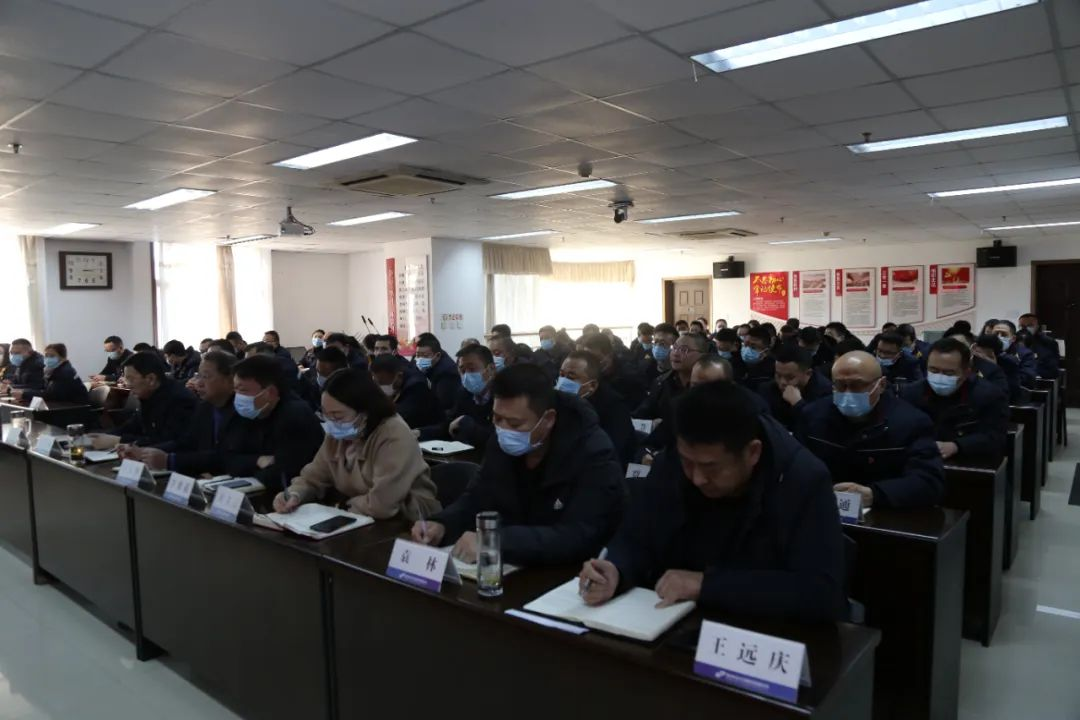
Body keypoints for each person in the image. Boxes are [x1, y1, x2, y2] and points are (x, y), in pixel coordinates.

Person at [580, 381, 846, 621]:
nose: (697, 478)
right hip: (667, 619)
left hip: (760, 629)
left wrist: (707, 585)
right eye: (688, 462)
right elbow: (637, 536)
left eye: (711, 468)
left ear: (752, 453)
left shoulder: (802, 480)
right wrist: (616, 569)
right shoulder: (672, 462)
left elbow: (821, 591)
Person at [412, 364, 624, 566]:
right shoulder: (500, 439)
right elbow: (478, 497)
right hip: (514, 565)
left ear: (548, 419)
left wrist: (496, 541)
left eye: (515, 423)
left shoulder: (593, 452)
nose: (504, 430)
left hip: (570, 572)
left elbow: (580, 534)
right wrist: (443, 524)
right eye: (497, 419)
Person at [273, 369, 440, 521]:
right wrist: (295, 494)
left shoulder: (393, 434)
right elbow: (313, 477)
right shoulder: (338, 435)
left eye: (338, 416)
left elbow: (382, 504)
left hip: (407, 521)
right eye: (326, 415)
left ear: (365, 412)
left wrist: (341, 506)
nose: (331, 423)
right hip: (357, 517)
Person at [797, 351, 944, 509]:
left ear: (881, 385)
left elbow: (929, 482)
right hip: (822, 505)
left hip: (884, 511)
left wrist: (874, 494)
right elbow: (796, 466)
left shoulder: (911, 423)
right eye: (840, 385)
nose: (847, 393)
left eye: (857, 385)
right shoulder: (813, 416)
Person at [123, 351, 270, 477]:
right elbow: (186, 443)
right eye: (198, 376)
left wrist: (170, 460)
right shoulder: (205, 407)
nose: (198, 383)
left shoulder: (244, 409)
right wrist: (144, 453)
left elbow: (225, 456)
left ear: (231, 380)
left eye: (205, 376)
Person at [900, 338, 1008, 467]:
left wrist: (956, 446)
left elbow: (995, 437)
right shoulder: (911, 393)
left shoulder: (989, 395)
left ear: (966, 372)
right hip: (919, 460)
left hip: (968, 464)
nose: (940, 377)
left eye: (948, 373)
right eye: (933, 370)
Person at [231, 354, 325, 491]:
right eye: (235, 390)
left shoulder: (296, 415)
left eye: (243, 390)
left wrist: (248, 466)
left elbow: (282, 475)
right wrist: (257, 460)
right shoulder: (247, 412)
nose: (238, 397)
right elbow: (228, 458)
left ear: (270, 392)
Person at [557, 350, 635, 468]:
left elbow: (611, 453)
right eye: (561, 375)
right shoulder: (559, 401)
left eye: (571, 377)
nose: (563, 382)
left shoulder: (615, 407)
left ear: (592, 385)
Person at [633, 331, 706, 450]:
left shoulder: (708, 386)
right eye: (675, 348)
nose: (676, 353)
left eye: (684, 350)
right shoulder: (661, 382)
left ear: (702, 355)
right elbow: (643, 413)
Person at [417, 343, 496, 449]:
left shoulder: (505, 395)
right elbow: (449, 425)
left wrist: (467, 423)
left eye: (472, 369)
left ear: (491, 369)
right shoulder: (464, 393)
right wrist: (419, 433)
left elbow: (498, 437)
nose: (466, 375)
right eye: (462, 371)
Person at [110, 352, 197, 446]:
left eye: (130, 379)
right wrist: (105, 436)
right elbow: (132, 427)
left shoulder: (180, 400)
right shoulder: (148, 396)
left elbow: (166, 441)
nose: (127, 385)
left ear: (151, 379)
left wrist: (119, 440)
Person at [758, 347, 832, 430]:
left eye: (790, 377)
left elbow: (817, 427)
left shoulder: (825, 392)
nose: (782, 382)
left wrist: (798, 404)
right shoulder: (768, 388)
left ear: (808, 373)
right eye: (778, 375)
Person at [370, 354, 441, 429]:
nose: (381, 387)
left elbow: (400, 417)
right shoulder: (398, 375)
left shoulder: (416, 387)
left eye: (383, 384)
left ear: (399, 376)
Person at [581, 332, 647, 408]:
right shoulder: (589, 376)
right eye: (587, 359)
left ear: (609, 355)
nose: (590, 363)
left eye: (595, 359)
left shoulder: (630, 375)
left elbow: (639, 407)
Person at [14, 344, 90, 406]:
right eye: (46, 356)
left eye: (52, 356)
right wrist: (24, 392)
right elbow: (46, 390)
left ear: (63, 357)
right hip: (64, 405)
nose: (48, 358)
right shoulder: (54, 370)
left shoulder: (65, 372)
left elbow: (51, 395)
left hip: (76, 408)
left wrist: (24, 394)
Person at [412, 335, 459, 413]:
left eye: (425, 356)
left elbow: (442, 403)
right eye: (417, 355)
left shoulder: (446, 372)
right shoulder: (427, 364)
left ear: (437, 355)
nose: (420, 359)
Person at [990, 320, 1036, 394]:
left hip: (1013, 393)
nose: (999, 337)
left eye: (1004, 334)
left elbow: (1027, 379)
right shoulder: (985, 351)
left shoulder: (1025, 354)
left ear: (1013, 338)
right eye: (996, 334)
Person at [298, 346, 349, 411]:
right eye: (318, 371)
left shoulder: (351, 394)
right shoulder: (311, 385)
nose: (319, 377)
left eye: (324, 374)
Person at [970, 334, 1019, 401]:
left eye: (988, 355)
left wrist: (992, 368)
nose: (981, 356)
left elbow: (1008, 396)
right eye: (978, 352)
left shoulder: (1007, 364)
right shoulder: (967, 361)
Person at [1017, 313, 1061, 379]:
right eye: (1022, 326)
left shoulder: (1048, 342)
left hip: (1040, 379)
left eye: (1030, 325)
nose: (1025, 328)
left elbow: (1052, 368)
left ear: (1037, 327)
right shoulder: (1014, 340)